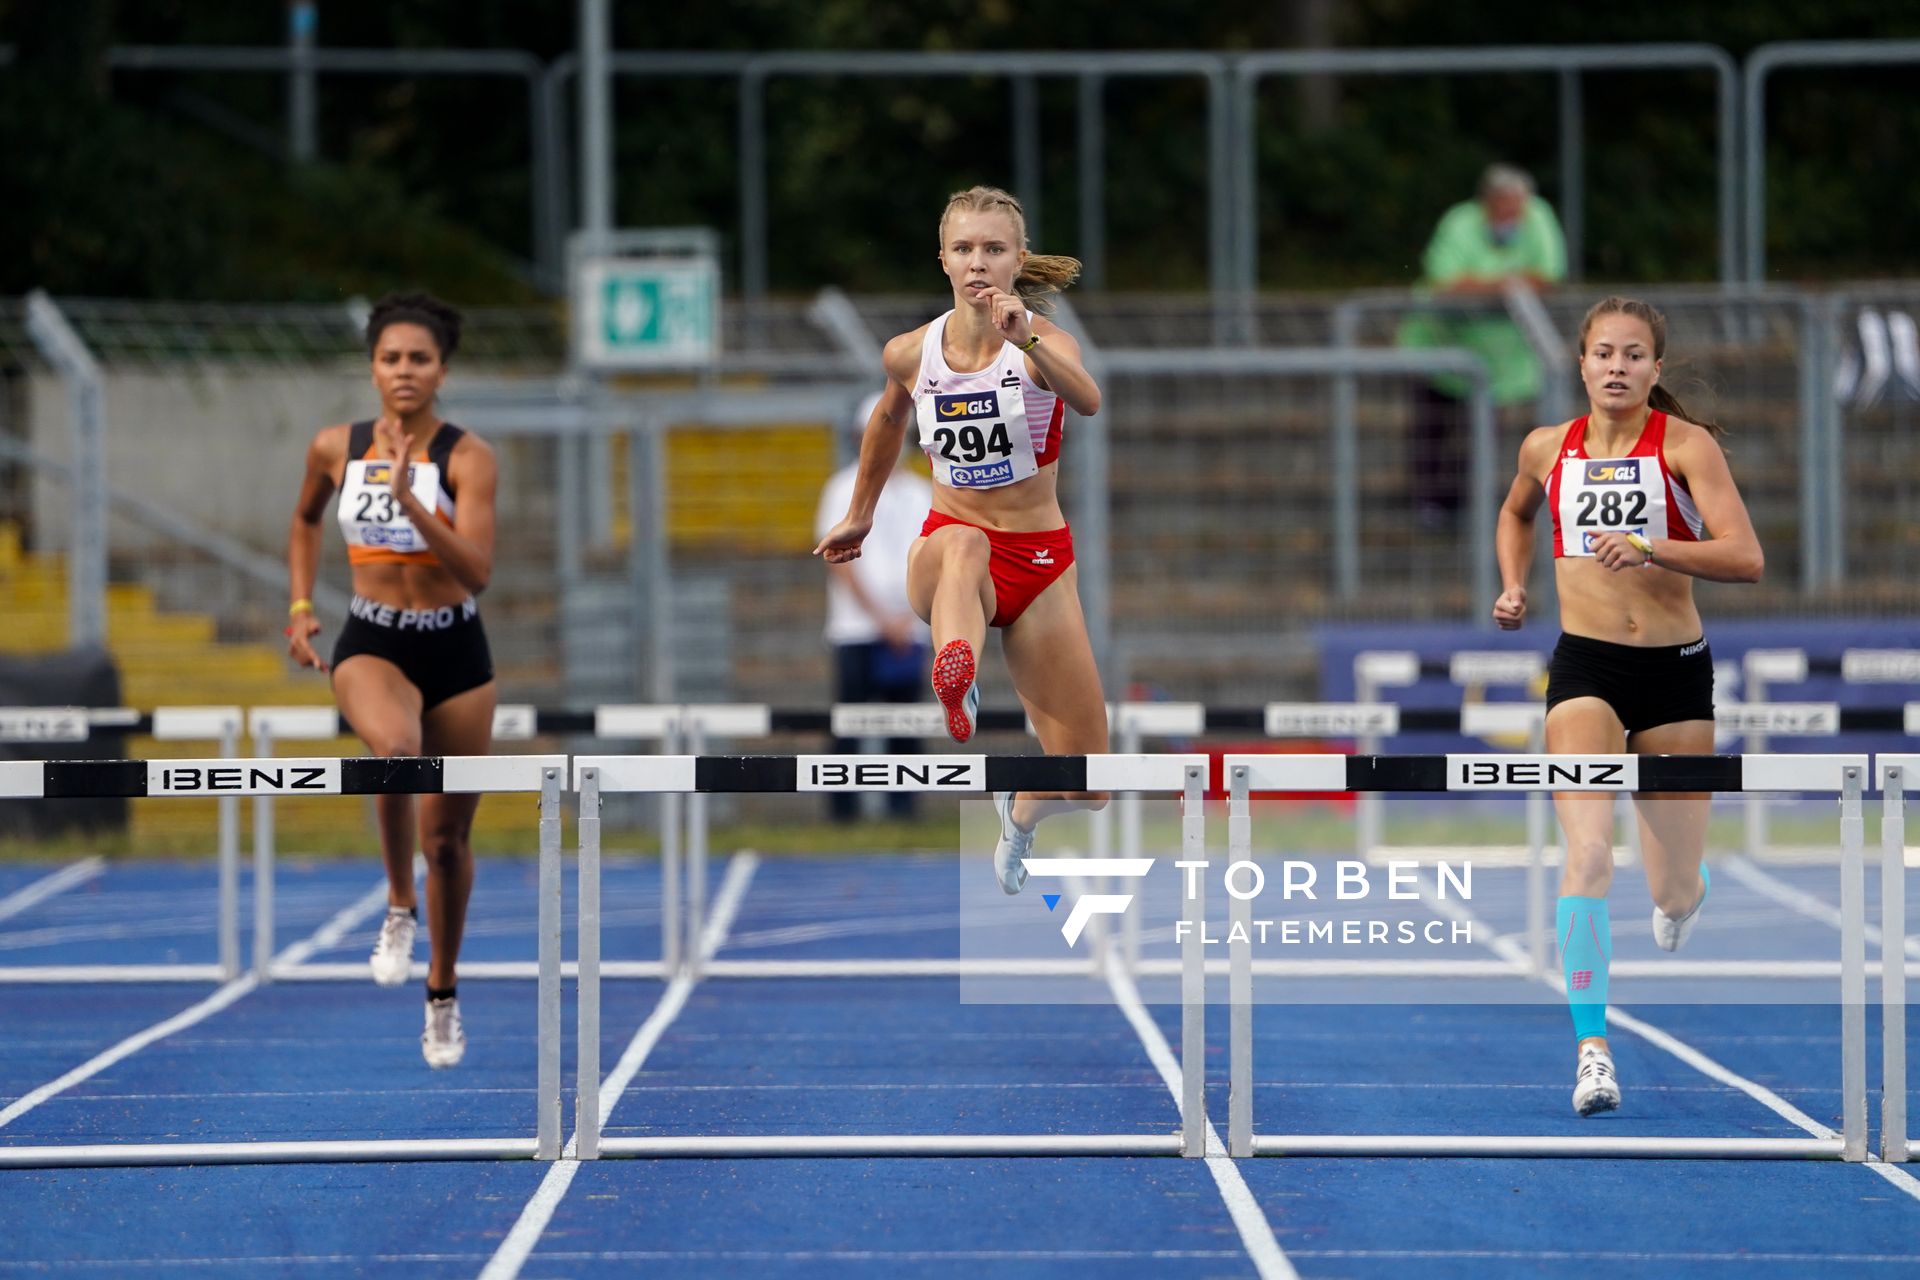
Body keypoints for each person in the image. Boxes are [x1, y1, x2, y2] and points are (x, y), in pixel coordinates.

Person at [1492, 296, 1763, 1116]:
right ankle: (1593, 1051)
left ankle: (1686, 892)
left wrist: (1651, 546)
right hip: (1585, 671)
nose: (1617, 367)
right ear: (1580, 364)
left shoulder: (1687, 447)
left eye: (1634, 355)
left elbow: (1746, 558)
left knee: (1671, 890)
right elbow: (1513, 512)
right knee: (1588, 858)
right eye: (1603, 353)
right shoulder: (1547, 447)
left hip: (1676, 673)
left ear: (1654, 368)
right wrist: (1514, 584)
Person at [813, 185, 1107, 892]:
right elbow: (887, 423)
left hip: (1038, 565)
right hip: (948, 554)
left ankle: (1023, 808)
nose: (979, 263)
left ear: (1017, 260)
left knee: (1090, 782)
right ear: (943, 259)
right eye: (966, 249)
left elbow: (1089, 399)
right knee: (967, 542)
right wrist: (861, 512)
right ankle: (959, 671)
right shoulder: (913, 352)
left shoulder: (1041, 344)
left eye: (994, 249)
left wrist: (1026, 337)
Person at [285, 292, 498, 1069]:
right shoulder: (333, 447)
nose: (404, 372)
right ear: (371, 367)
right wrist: (303, 604)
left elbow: (476, 573)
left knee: (449, 841)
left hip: (456, 652)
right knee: (396, 747)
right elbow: (306, 519)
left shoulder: (467, 457)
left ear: (442, 369)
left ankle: (442, 991)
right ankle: (397, 905)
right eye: (390, 358)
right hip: (374, 639)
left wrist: (411, 496)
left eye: (419, 359)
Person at [1400, 163, 1568, 528]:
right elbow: (1447, 285)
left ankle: (1469, 510)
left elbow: (1547, 277)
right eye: (1502, 207)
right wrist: (1508, 286)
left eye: (1516, 207)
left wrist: (1484, 285)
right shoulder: (1460, 222)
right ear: (1487, 202)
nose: (1511, 215)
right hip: (1440, 348)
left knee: (1482, 437)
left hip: (1500, 363)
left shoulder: (1537, 216)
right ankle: (1429, 505)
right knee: (1432, 428)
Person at [815, 390, 934, 822]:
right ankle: (843, 813)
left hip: (909, 625)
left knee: (907, 726)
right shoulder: (841, 488)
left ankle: (903, 810)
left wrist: (910, 616)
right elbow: (840, 564)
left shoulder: (922, 490)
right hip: (858, 628)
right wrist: (884, 619)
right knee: (849, 724)